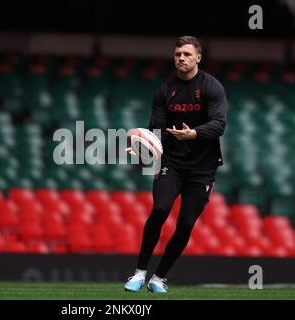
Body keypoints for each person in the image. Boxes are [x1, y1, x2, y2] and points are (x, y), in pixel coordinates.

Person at [124, 36, 228, 293]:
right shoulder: (164, 91)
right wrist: (140, 148)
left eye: (187, 54)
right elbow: (155, 130)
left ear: (198, 58)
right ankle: (139, 273)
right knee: (160, 209)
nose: (181, 58)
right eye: (178, 53)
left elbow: (219, 125)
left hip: (203, 168)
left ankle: (158, 278)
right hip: (171, 161)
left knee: (185, 224)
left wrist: (193, 133)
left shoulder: (212, 87)